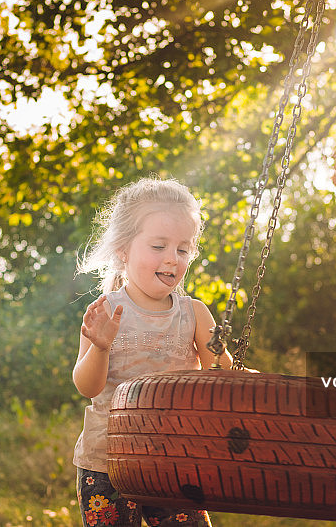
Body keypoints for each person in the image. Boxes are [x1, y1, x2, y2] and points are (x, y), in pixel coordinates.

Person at [72, 177, 233, 527]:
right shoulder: (105, 312)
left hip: (175, 461)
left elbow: (222, 376)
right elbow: (87, 387)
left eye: (182, 249)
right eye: (159, 246)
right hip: (108, 464)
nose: (172, 260)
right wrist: (100, 346)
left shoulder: (194, 314)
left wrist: (222, 354)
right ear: (123, 250)